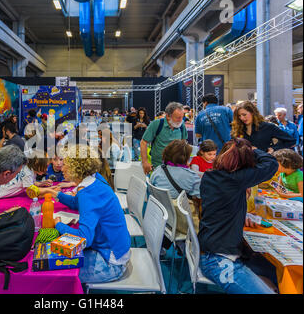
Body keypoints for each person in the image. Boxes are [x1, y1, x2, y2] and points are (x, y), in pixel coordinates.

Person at [198, 138, 279, 294]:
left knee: (275, 276)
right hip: (219, 261)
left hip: (216, 252)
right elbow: (271, 164)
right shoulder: (236, 179)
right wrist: (253, 149)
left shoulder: (210, 176)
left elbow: (223, 205)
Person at [48, 145, 131, 284]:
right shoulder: (95, 180)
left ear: (76, 169)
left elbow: (84, 238)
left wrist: (58, 224)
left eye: (66, 165)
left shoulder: (87, 193)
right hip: (117, 250)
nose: (62, 168)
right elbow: (77, 202)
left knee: (57, 273)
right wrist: (56, 194)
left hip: (111, 262)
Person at [149, 139, 201, 235]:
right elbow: (202, 195)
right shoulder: (191, 177)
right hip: (183, 223)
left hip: (161, 218)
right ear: (186, 158)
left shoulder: (158, 171)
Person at [141, 102, 188, 174]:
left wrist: (186, 160)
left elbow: (184, 143)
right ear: (168, 116)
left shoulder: (181, 125)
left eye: (182, 117)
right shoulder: (156, 124)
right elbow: (143, 142)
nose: (181, 120)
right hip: (159, 166)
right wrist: (145, 162)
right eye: (178, 117)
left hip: (177, 166)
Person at [231, 101, 296, 153]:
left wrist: (274, 149)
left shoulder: (268, 127)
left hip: (263, 165)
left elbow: (291, 140)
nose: (242, 118)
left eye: (244, 115)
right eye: (239, 116)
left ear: (252, 113)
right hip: (244, 165)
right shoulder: (238, 128)